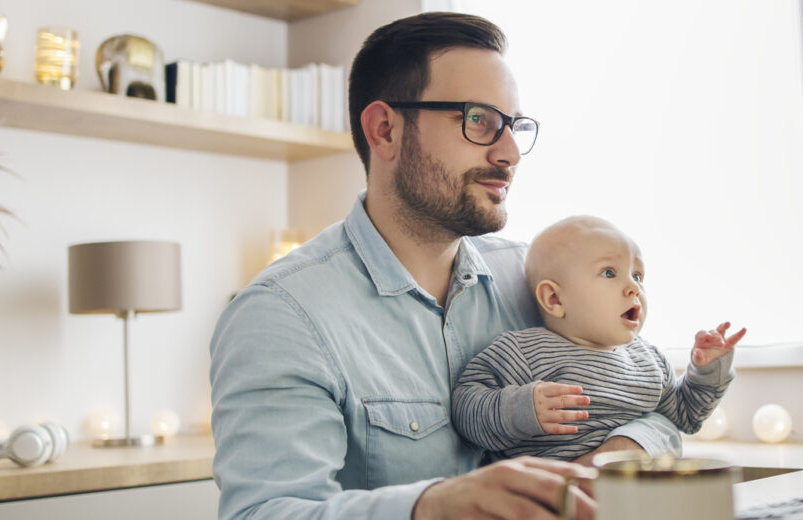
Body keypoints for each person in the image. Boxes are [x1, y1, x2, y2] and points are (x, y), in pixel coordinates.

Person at [208, 12, 682, 520]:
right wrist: (430, 507)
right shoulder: (281, 316)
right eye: (478, 120)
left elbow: (657, 407)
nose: (509, 152)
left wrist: (617, 454)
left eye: (514, 126)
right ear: (385, 129)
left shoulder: (535, 280)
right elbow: (265, 513)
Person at [451, 216, 745, 461]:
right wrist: (520, 408)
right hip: (545, 502)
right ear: (554, 298)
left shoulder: (650, 361)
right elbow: (465, 407)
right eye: (609, 272)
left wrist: (708, 370)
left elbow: (686, 416)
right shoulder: (522, 352)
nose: (633, 287)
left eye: (638, 276)